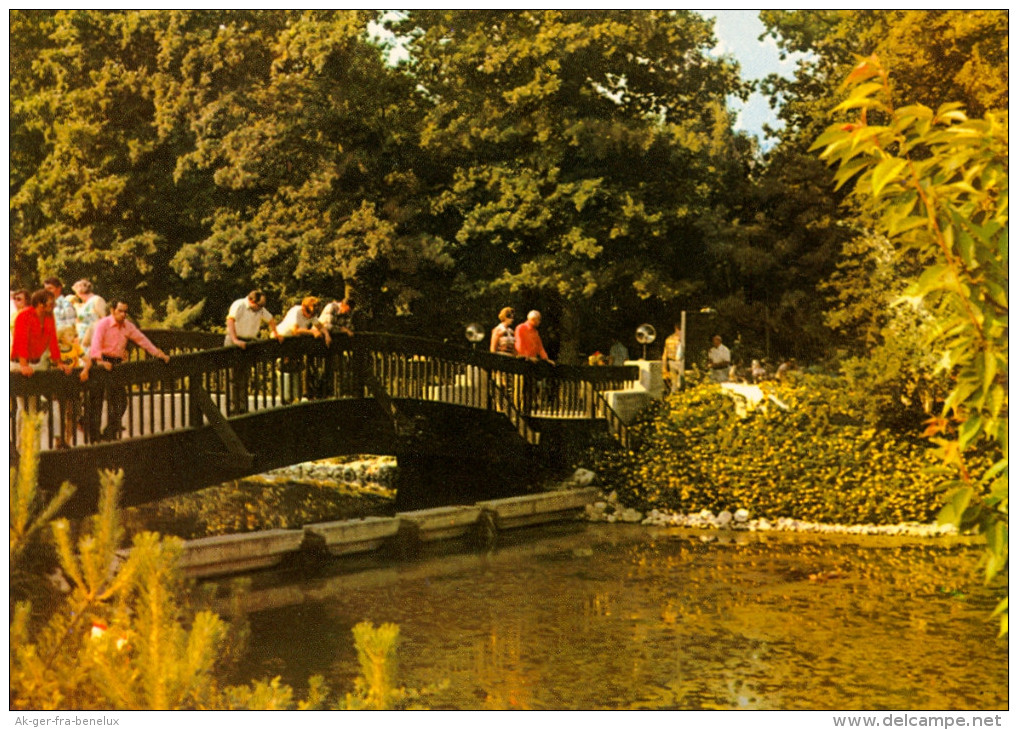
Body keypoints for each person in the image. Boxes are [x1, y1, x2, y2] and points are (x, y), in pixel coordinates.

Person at [87, 300, 171, 441]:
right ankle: (94, 438)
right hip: (100, 362)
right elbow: (95, 346)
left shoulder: (128, 326)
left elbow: (142, 340)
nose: (123, 314)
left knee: (120, 401)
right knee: (96, 402)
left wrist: (158, 354)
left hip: (116, 363)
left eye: (125, 311)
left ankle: (109, 433)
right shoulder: (103, 324)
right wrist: (101, 361)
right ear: (112, 310)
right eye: (120, 311)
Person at [56, 326, 92, 447]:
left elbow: (88, 360)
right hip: (60, 384)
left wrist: (85, 370)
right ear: (61, 337)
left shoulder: (76, 348)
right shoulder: (56, 349)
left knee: (73, 413)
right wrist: (60, 366)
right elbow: (53, 362)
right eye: (69, 335)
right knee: (60, 413)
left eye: (74, 335)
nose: (73, 338)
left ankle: (67, 440)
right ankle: (59, 440)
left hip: (73, 384)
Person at [71, 279, 107, 347]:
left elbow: (105, 320)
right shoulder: (83, 305)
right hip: (81, 343)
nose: (77, 295)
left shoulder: (96, 300)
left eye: (76, 292)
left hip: (93, 341)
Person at [662, 323, 684, 394]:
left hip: (682, 362)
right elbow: (665, 354)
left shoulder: (684, 339)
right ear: (676, 329)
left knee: (681, 383)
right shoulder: (669, 339)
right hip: (672, 362)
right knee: (673, 384)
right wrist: (664, 368)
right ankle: (674, 397)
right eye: (679, 329)